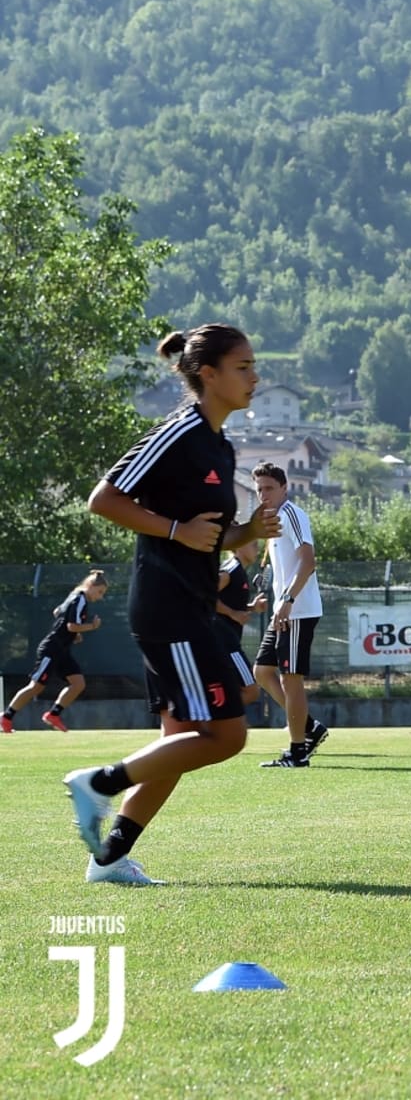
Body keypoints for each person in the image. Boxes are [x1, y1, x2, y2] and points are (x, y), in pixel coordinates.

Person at [62, 323, 281, 885]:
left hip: (188, 606)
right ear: (208, 375)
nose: (255, 377)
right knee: (226, 736)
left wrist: (244, 531)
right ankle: (100, 784)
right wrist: (175, 528)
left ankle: (107, 860)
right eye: (243, 367)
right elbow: (103, 499)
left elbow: (208, 537)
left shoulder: (218, 443)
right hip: (171, 609)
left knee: (180, 742)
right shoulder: (178, 431)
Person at [251, 462, 328, 768]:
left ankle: (298, 751)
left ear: (284, 487)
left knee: (290, 678)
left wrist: (286, 600)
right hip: (283, 611)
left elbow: (308, 561)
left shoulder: (292, 514)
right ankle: (309, 727)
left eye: (268, 488)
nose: (263, 494)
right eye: (258, 489)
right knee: (262, 671)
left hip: (296, 611)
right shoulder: (273, 520)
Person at [1, 569, 108, 733]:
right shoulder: (80, 599)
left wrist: (74, 634)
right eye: (100, 592)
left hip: (62, 650)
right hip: (52, 648)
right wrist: (91, 626)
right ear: (91, 586)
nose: (100, 596)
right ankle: (6, 717)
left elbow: (57, 612)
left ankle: (53, 714)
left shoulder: (75, 596)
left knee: (78, 683)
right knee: (35, 687)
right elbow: (71, 625)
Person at [215, 538, 263, 710]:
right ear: (239, 546)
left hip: (226, 641)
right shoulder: (231, 570)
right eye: (253, 544)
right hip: (224, 642)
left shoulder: (240, 571)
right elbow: (205, 596)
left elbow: (229, 603)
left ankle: (214, 721)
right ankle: (218, 719)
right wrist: (233, 613)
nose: (257, 548)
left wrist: (251, 607)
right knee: (251, 691)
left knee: (228, 691)